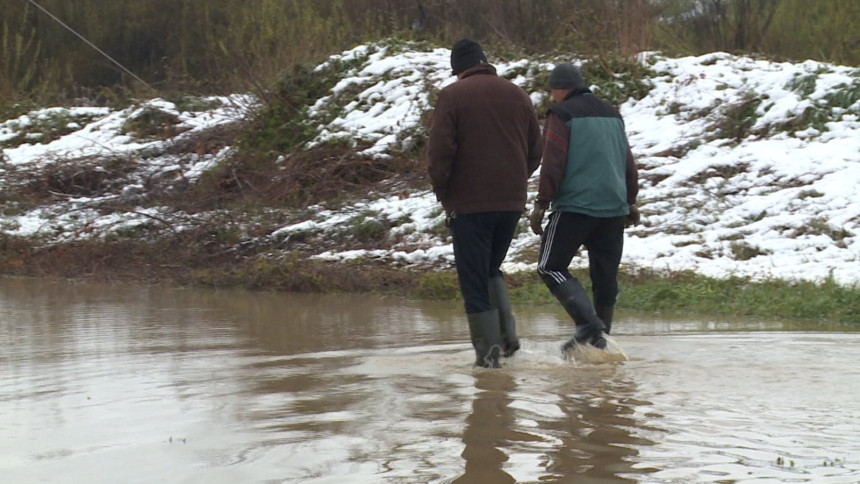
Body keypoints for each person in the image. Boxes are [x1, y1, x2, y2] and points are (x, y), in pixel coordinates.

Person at [428, 38, 543, 368]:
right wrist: (515, 180)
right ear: (484, 61)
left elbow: (440, 153)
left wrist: (444, 192)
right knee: (491, 268)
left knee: (473, 280)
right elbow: (536, 151)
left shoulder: (452, 95)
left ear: (457, 69)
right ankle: (507, 341)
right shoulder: (518, 94)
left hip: (470, 205)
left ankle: (488, 361)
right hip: (511, 204)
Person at [529, 63, 640, 353]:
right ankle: (600, 347)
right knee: (605, 277)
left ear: (559, 89)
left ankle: (590, 326)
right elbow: (627, 160)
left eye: (552, 91)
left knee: (550, 266)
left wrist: (542, 203)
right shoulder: (612, 114)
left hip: (575, 206)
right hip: (613, 207)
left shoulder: (561, 114)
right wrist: (630, 200)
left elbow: (553, 161)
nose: (551, 96)